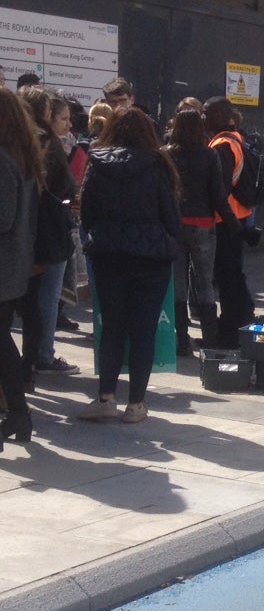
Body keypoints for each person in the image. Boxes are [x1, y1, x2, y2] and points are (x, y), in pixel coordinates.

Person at [77, 108, 182, 424]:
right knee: (143, 330)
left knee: (112, 326)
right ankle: (136, 404)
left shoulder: (97, 162)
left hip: (109, 254)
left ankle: (105, 397)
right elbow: (171, 217)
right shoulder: (157, 163)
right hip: (152, 257)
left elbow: (88, 213)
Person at [16, 86, 79, 381]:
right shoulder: (44, 142)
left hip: (26, 229)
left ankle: (32, 360)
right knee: (47, 297)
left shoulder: (18, 140)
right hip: (48, 229)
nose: (68, 124)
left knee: (31, 298)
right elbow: (64, 185)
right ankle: (42, 355)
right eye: (62, 117)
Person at [165, 107, 236, 355]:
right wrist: (233, 223)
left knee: (178, 283)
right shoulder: (208, 155)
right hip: (203, 223)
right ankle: (211, 337)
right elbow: (218, 194)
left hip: (175, 224)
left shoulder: (168, 155)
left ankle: (181, 338)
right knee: (205, 282)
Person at [1, 88, 43, 449]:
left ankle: (17, 412)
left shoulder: (3, 158)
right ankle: (17, 413)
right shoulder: (21, 154)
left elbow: (3, 216)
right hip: (12, 263)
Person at [204, 96, 259, 348]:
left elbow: (220, 190)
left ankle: (230, 333)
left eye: (207, 113)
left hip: (226, 221)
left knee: (227, 278)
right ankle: (240, 323)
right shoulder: (235, 141)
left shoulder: (222, 145)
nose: (203, 118)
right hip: (237, 217)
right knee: (233, 277)